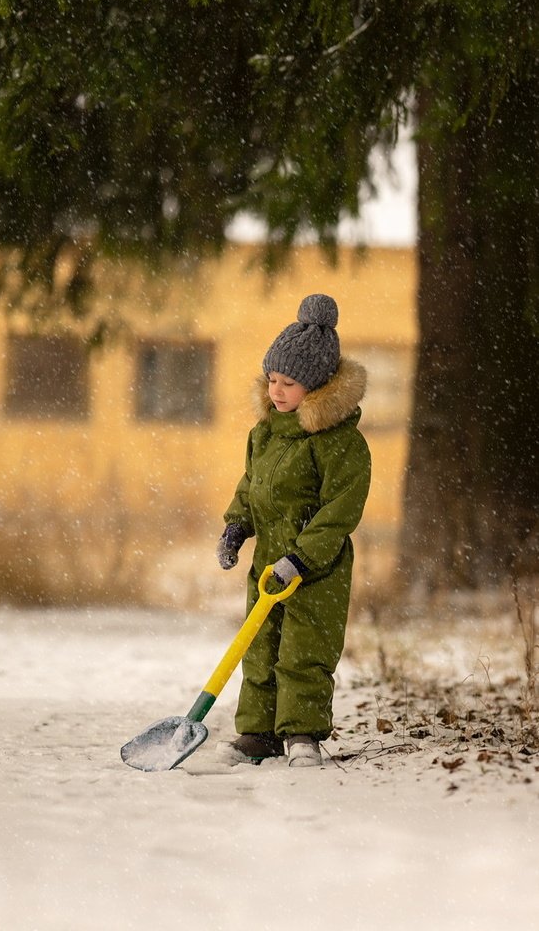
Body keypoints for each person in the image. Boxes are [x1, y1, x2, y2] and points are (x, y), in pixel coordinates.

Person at [216, 293, 371, 768]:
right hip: (269, 563)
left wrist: (301, 558)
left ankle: (302, 734)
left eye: (289, 382)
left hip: (314, 569)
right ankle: (258, 734)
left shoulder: (340, 443)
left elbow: (339, 512)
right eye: (272, 379)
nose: (277, 391)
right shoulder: (264, 433)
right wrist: (236, 526)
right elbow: (252, 484)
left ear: (319, 387)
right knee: (259, 647)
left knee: (304, 651)